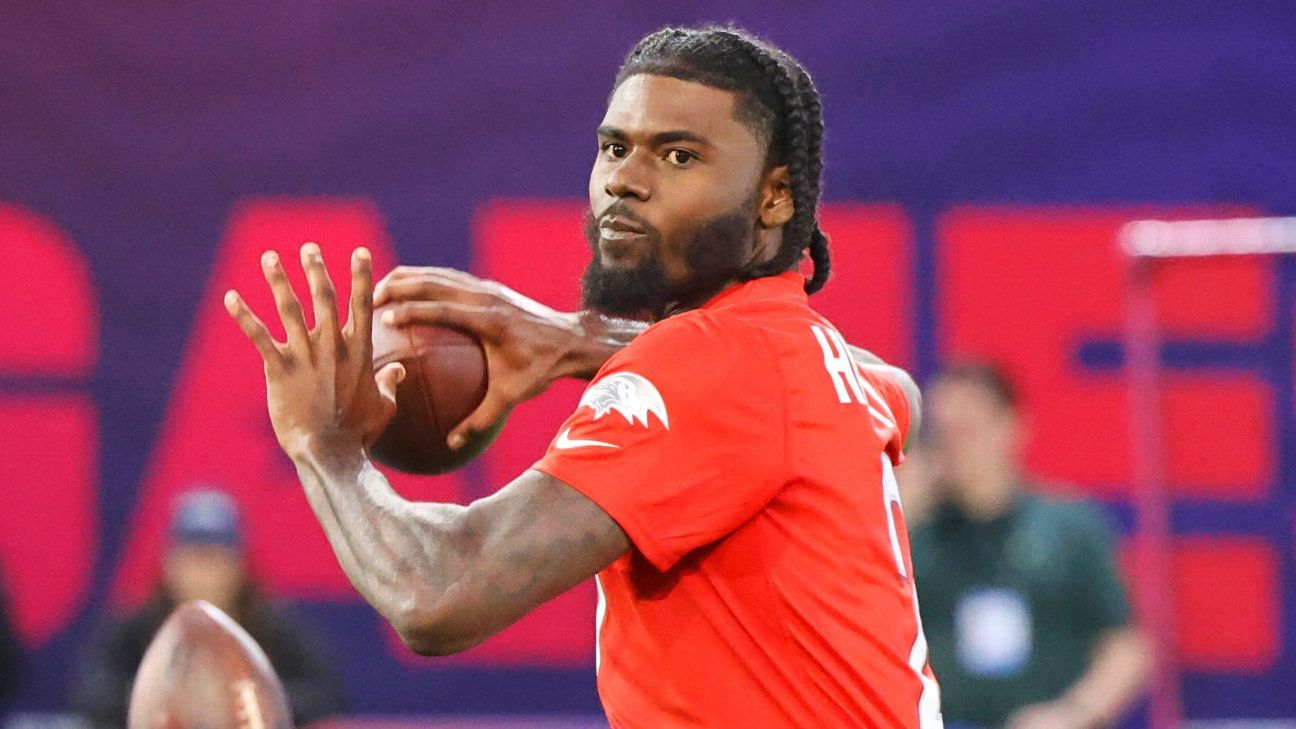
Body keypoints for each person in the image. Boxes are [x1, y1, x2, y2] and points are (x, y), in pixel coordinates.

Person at [225, 26, 941, 727]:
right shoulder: (806, 353)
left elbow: (440, 592)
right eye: (614, 148)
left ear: (774, 198)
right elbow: (897, 389)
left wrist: (325, 447)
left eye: (680, 156)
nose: (626, 180)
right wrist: (578, 338)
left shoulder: (711, 360)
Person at [907, 363, 1149, 729]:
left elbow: (1125, 648)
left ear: (1012, 427)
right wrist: (895, 511)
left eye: (968, 430)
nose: (955, 448)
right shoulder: (914, 535)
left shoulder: (1068, 526)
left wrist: (1073, 713)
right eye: (943, 434)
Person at [71, 488, 347, 727]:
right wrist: (169, 699)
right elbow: (90, 695)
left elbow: (327, 696)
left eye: (214, 558)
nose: (203, 573)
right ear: (169, 563)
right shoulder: (138, 624)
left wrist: (239, 699)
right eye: (193, 558)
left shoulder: (270, 624)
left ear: (239, 565)